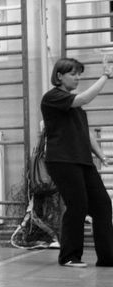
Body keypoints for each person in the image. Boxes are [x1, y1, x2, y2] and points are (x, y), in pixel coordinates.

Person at [40, 56, 113, 268]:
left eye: (79, 74)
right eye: (73, 74)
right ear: (59, 76)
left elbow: (85, 133)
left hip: (82, 161)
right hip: (62, 161)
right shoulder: (52, 97)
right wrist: (105, 76)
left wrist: (101, 155)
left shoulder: (76, 108)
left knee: (102, 205)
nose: (77, 78)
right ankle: (69, 256)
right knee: (77, 206)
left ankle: (108, 257)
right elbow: (83, 99)